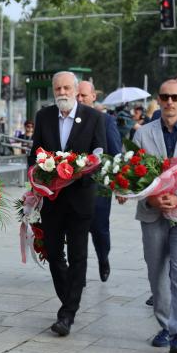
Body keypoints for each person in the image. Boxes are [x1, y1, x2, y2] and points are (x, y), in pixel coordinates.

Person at [28, 71, 106, 336]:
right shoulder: (44, 116)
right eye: (58, 88)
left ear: (76, 90)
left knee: (78, 254)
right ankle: (68, 298)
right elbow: (34, 154)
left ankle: (67, 313)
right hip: (52, 199)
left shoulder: (94, 117)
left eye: (66, 88)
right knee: (52, 251)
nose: (62, 92)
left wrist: (80, 168)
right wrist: (37, 181)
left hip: (81, 199)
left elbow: (100, 155)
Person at [131, 79, 177, 353]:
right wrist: (150, 195)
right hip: (152, 212)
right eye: (164, 97)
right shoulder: (143, 134)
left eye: (175, 97)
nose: (169, 102)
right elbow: (130, 172)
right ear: (159, 99)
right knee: (157, 274)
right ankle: (165, 325)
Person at [76, 80, 122, 282]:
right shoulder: (69, 121)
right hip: (73, 187)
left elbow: (115, 154)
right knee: (77, 230)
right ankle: (80, 273)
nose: (79, 99)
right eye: (77, 95)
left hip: (99, 187)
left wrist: (119, 185)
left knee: (99, 229)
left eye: (83, 95)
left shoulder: (106, 121)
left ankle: (104, 258)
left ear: (94, 97)